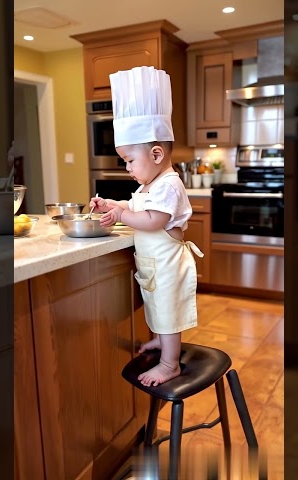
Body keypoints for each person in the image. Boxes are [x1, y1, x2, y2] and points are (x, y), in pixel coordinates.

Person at [89, 66, 203, 387]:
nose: (127, 168)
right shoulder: (147, 186)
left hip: (167, 266)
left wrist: (123, 217)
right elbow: (134, 206)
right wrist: (113, 206)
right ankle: (161, 342)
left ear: (156, 154)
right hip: (155, 266)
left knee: (167, 312)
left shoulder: (168, 184)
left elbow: (154, 220)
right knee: (156, 309)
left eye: (128, 160)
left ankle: (170, 364)